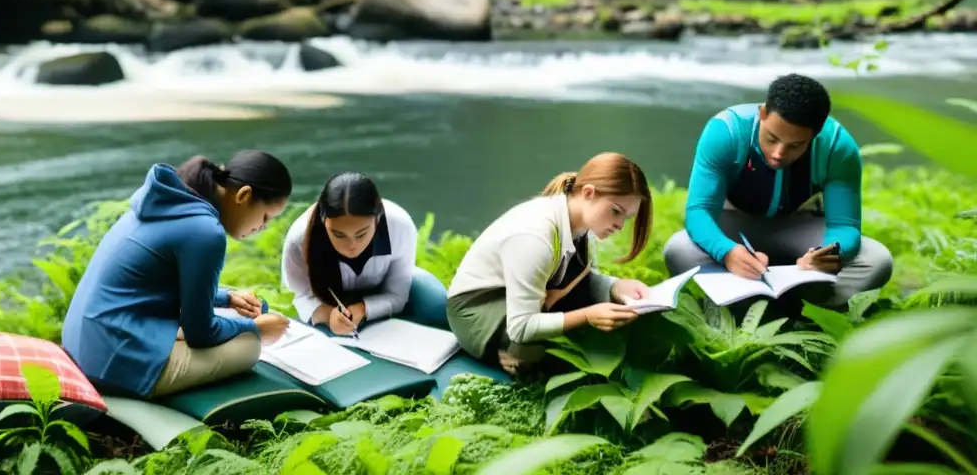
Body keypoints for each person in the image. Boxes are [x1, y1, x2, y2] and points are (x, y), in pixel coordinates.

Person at [62, 151, 294, 399]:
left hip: (85, 343)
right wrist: (255, 329)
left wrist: (226, 298)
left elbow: (156, 283)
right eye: (266, 217)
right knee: (248, 347)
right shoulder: (206, 232)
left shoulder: (168, 201)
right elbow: (202, 334)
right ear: (243, 195)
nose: (263, 227)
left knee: (225, 309)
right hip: (112, 366)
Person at [663, 73, 894, 309]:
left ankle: (807, 311)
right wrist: (726, 252)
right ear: (762, 113)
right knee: (679, 249)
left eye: (795, 145)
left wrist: (825, 254)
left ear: (816, 133)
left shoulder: (837, 147)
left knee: (876, 259)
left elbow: (844, 226)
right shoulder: (726, 131)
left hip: (799, 226)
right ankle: (737, 305)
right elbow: (699, 211)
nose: (778, 153)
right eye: (772, 138)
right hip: (734, 224)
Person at [445, 152, 655, 376]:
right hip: (479, 308)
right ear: (588, 193)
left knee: (615, 322)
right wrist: (586, 315)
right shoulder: (534, 237)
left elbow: (577, 279)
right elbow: (521, 326)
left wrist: (615, 286)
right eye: (616, 211)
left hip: (533, 296)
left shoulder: (582, 223)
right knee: (538, 351)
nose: (619, 225)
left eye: (627, 218)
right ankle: (510, 355)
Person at [281, 171, 449, 334]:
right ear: (324, 221)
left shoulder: (399, 226)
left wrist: (364, 308)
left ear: (377, 219)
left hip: (381, 299)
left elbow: (397, 295)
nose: (351, 245)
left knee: (437, 303)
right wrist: (328, 315)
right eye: (338, 234)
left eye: (361, 234)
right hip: (327, 308)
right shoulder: (300, 239)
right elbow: (300, 296)